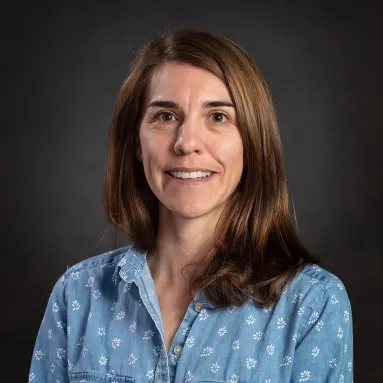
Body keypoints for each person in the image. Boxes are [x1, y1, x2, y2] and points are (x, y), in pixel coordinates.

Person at [29, 29, 353, 383]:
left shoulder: (311, 304)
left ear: (253, 142)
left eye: (218, 117)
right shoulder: (77, 295)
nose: (187, 143)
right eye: (165, 117)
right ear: (136, 142)